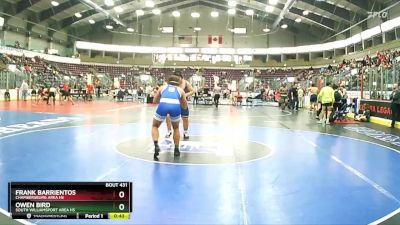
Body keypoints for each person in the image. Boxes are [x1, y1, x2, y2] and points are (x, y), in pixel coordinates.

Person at [152, 75, 188, 159]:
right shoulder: (180, 90)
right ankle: (176, 149)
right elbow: (185, 106)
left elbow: (154, 101)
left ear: (168, 81)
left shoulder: (162, 88)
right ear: (178, 82)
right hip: (175, 106)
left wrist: (162, 100)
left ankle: (156, 144)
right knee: (176, 128)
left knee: (155, 126)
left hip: (163, 105)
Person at [165, 74, 193, 140]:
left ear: (181, 78)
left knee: (185, 118)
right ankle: (169, 131)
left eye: (178, 78)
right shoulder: (171, 83)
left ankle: (185, 132)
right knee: (168, 117)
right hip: (172, 102)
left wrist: (185, 95)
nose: (177, 80)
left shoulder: (186, 83)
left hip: (183, 103)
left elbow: (192, 91)